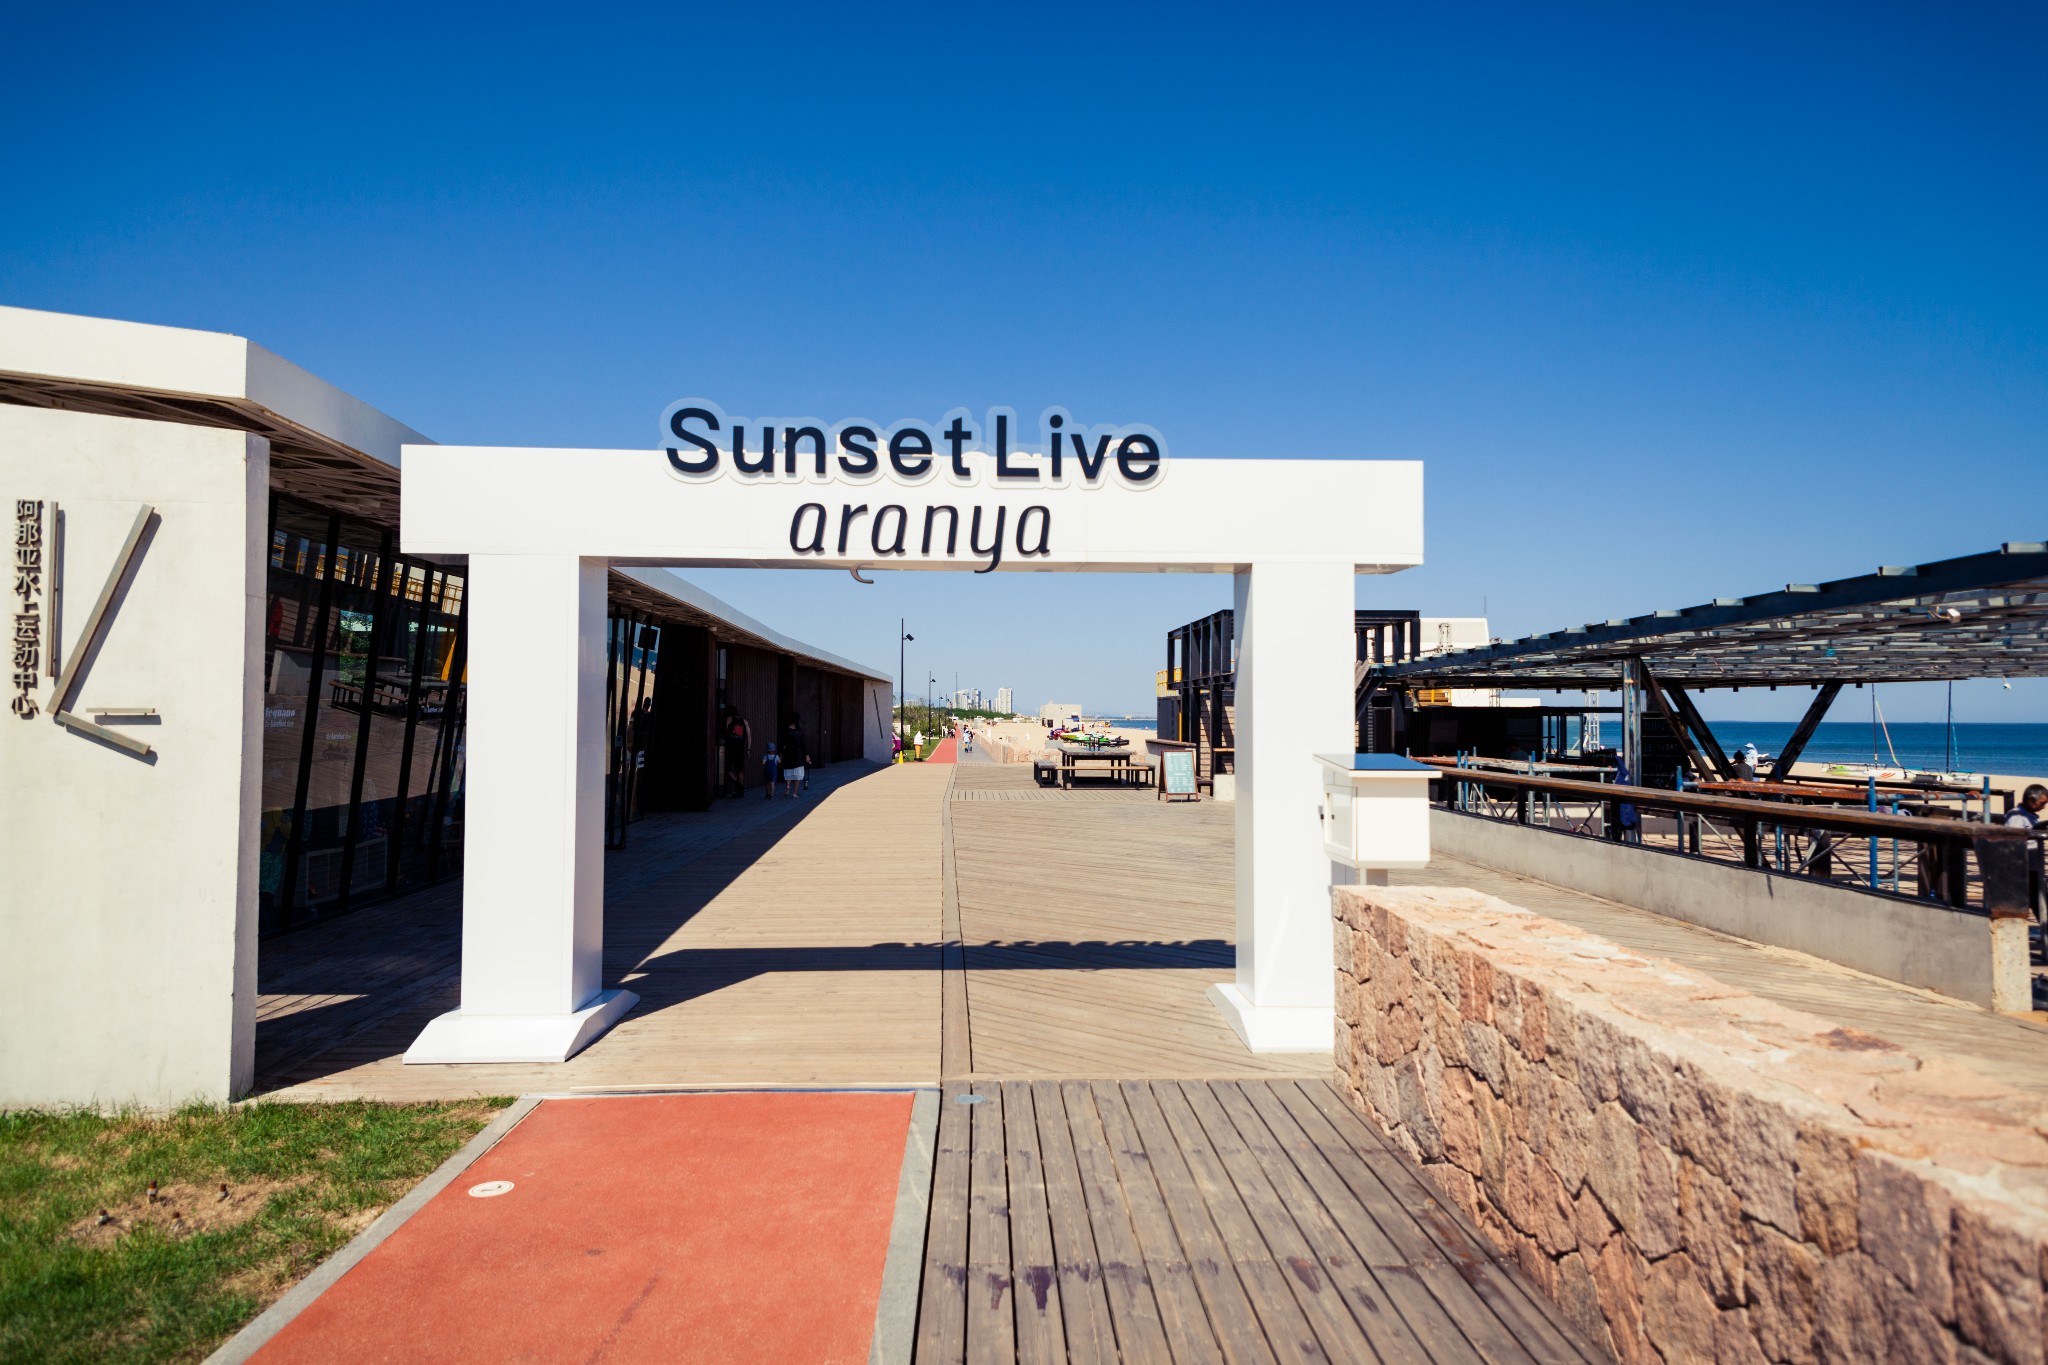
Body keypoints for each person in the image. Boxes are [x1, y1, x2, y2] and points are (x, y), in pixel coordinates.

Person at [721, 708, 750, 798]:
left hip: (730, 749)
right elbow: (749, 736)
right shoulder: (744, 721)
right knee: (739, 770)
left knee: (727, 769)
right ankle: (740, 792)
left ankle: (739, 786)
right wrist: (748, 749)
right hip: (740, 749)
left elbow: (724, 733)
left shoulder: (728, 719)